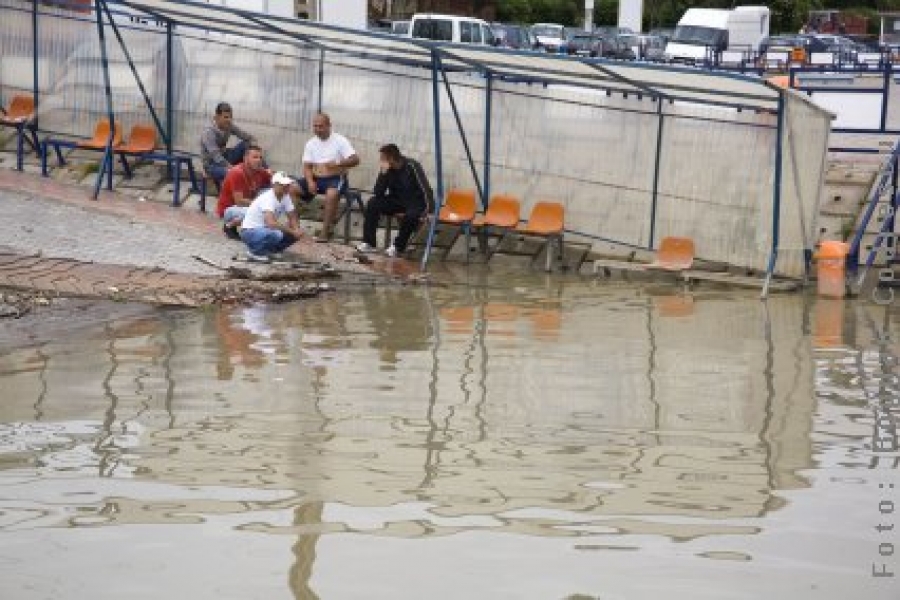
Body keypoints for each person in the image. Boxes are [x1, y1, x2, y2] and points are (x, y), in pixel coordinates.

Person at [356, 143, 433, 258]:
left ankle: (398, 247)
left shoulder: (412, 166)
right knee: (373, 203)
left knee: (411, 216)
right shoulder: (387, 169)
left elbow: (426, 188)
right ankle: (369, 243)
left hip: (416, 201)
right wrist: (383, 174)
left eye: (383, 158)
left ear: (391, 158)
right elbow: (378, 193)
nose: (381, 161)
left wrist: (430, 210)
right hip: (397, 200)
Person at [296, 112, 359, 242]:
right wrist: (310, 182)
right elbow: (307, 166)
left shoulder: (340, 140)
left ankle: (325, 232)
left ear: (329, 126)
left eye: (321, 126)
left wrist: (338, 163)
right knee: (291, 188)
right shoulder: (310, 143)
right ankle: (295, 228)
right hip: (316, 178)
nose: (317, 129)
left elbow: (355, 159)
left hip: (335, 178)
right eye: (315, 126)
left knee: (331, 194)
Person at [239, 172, 305, 261]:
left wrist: (296, 229)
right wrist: (293, 231)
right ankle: (254, 252)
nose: (286, 186)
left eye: (288, 184)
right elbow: (271, 223)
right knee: (276, 234)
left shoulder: (286, 196)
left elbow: (292, 215)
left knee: (295, 231)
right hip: (249, 231)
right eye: (282, 184)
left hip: (265, 229)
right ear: (274, 184)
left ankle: (272, 250)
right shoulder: (268, 198)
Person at [216, 144, 271, 240]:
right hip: (229, 210)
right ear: (245, 158)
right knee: (262, 212)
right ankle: (229, 226)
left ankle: (257, 230)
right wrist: (261, 205)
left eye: (260, 157)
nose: (259, 160)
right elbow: (239, 201)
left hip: (246, 206)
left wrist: (276, 177)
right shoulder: (237, 172)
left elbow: (276, 183)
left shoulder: (260, 172)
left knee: (272, 194)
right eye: (255, 157)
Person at [200, 102, 258, 187]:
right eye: (226, 117)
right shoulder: (209, 132)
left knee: (246, 144)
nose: (229, 120)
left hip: (225, 157)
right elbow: (216, 156)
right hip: (212, 164)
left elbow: (245, 136)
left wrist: (255, 146)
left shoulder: (229, 126)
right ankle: (231, 193)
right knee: (233, 173)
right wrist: (232, 167)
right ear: (216, 117)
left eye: (230, 117)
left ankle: (264, 171)